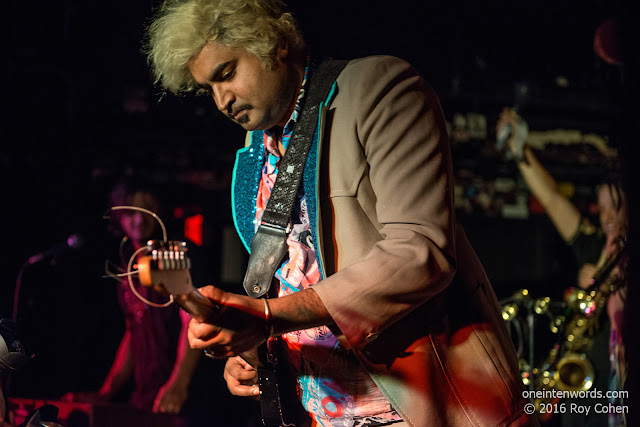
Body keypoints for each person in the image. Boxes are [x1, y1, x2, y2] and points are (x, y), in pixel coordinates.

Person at [145, 1, 533, 425]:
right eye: (208, 89)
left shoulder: (378, 87)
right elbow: (292, 284)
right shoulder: (254, 154)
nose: (221, 101)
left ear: (272, 44)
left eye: (227, 73)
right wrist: (255, 350)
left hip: (420, 407)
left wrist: (269, 318)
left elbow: (420, 252)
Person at [63, 175, 234, 425]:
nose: (139, 219)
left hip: (184, 394)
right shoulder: (127, 264)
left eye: (147, 209)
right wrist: (107, 392)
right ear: (119, 216)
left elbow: (194, 321)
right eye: (132, 211)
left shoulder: (174, 253)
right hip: (147, 393)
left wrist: (178, 384)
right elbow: (134, 330)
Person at [496, 108, 628, 426]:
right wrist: (520, 150)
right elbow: (553, 200)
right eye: (602, 209)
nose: (607, 218)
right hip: (582, 386)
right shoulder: (594, 245)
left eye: (616, 209)